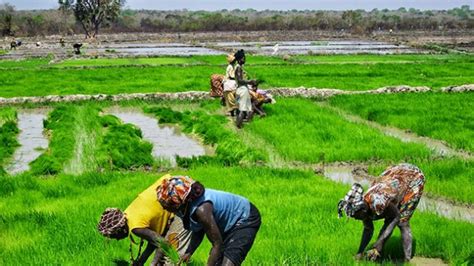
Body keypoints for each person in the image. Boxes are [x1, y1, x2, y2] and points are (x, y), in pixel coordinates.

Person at [157, 175, 261, 266]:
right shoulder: (188, 207)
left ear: (178, 202)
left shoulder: (202, 210)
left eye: (166, 205)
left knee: (229, 262)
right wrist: (189, 252)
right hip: (229, 222)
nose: (165, 208)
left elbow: (217, 244)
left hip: (245, 217)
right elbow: (199, 230)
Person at [337, 163, 425, 262]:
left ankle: (406, 259)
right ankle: (379, 254)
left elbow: (396, 216)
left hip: (412, 177)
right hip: (394, 177)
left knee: (402, 222)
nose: (355, 218)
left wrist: (380, 242)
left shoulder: (378, 202)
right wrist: (360, 252)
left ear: (363, 210)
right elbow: (368, 229)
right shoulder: (363, 209)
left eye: (355, 216)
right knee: (389, 219)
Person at [97, 174, 191, 265]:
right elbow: (155, 240)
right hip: (176, 183)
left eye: (115, 236)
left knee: (171, 260)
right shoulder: (128, 213)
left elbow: (162, 243)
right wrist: (141, 261)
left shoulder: (135, 227)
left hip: (180, 197)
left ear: (120, 229)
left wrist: (152, 263)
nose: (117, 239)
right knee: (161, 260)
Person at [234, 49, 257, 128]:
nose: (245, 60)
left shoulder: (239, 67)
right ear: (240, 59)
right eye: (244, 58)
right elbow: (240, 80)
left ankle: (245, 124)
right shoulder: (238, 68)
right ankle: (239, 126)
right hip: (242, 89)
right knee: (242, 109)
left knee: (247, 108)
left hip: (241, 89)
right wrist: (250, 81)